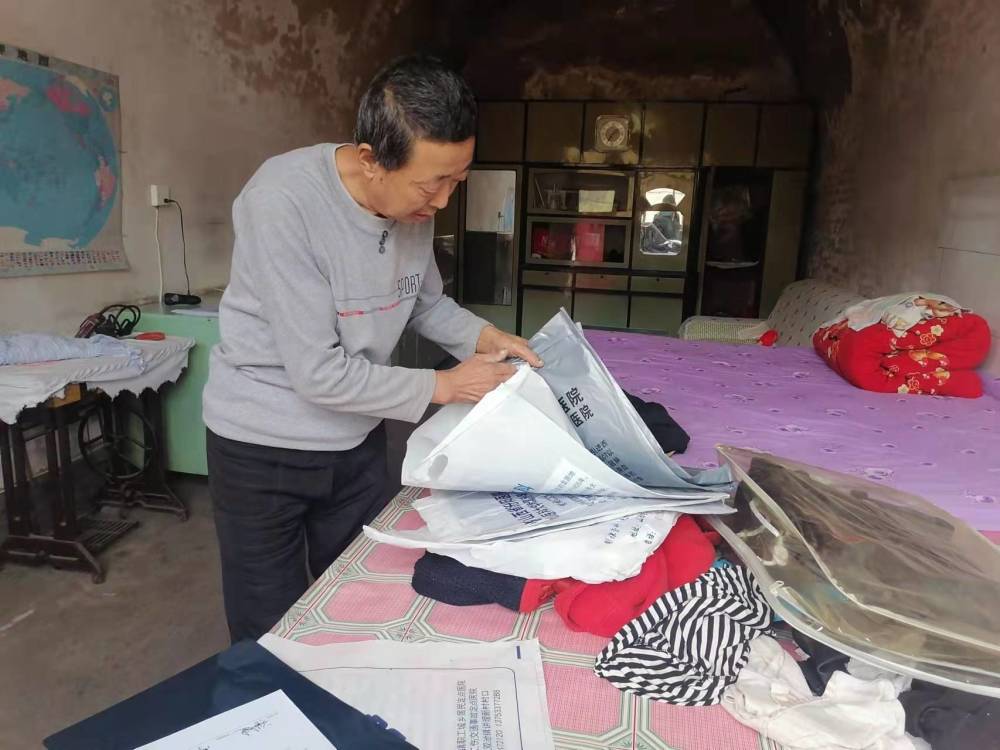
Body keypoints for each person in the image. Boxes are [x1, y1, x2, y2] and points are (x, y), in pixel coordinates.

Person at [202, 55, 541, 642]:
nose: (442, 202)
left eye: (457, 180)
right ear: (370, 160)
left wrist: (487, 337)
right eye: (431, 184)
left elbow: (424, 303)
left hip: (356, 439)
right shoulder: (282, 201)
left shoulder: (412, 204)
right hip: (263, 448)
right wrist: (446, 385)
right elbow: (319, 374)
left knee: (361, 599)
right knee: (268, 627)